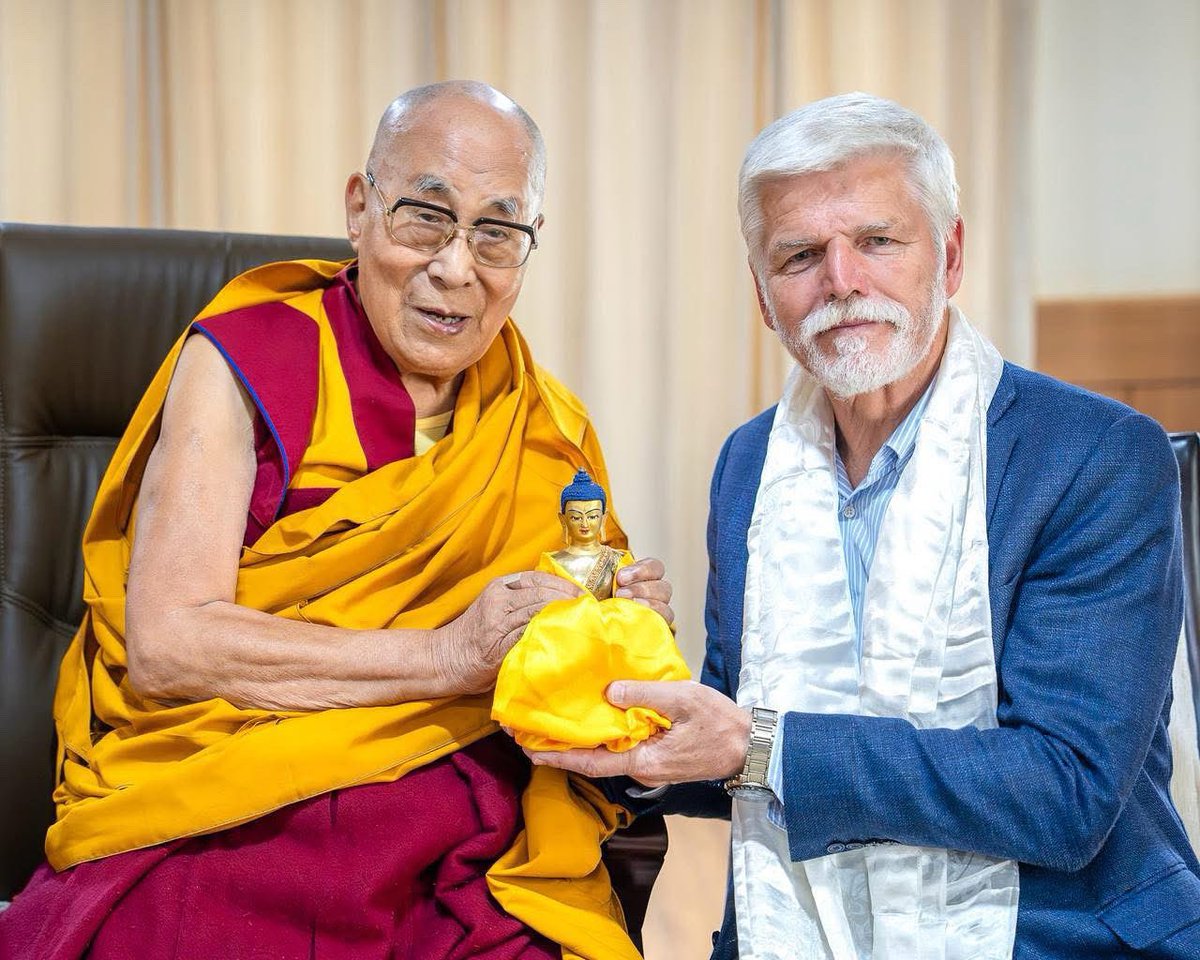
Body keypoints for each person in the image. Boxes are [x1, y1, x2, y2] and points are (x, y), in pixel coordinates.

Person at [0, 81, 672, 960]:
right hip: (237, 805)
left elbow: (559, 690)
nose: (457, 268)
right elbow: (168, 644)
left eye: (497, 233)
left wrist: (617, 637)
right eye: (425, 216)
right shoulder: (248, 358)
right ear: (360, 210)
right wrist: (446, 654)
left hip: (461, 830)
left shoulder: (546, 424)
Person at [530, 93, 1200, 958]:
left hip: (1057, 932)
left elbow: (1064, 793)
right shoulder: (749, 467)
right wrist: (625, 701)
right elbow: (735, 740)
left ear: (950, 257)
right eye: (801, 254)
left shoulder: (1097, 456)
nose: (842, 281)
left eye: (878, 242)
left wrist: (759, 746)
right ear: (765, 299)